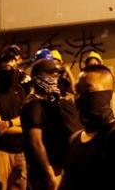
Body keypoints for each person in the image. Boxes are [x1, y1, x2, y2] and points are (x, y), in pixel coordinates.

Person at [60, 64, 115, 190]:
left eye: (87, 90)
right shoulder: (75, 139)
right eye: (77, 90)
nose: (80, 96)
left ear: (107, 94)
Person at [23, 58, 82, 190]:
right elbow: (36, 142)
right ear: (38, 78)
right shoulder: (34, 105)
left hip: (58, 166)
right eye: (50, 75)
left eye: (56, 75)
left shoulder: (50, 102)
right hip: (45, 171)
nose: (54, 79)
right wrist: (49, 173)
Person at [0, 44, 28, 190]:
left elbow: (26, 119)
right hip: (0, 152)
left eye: (12, 67)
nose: (9, 71)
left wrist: (8, 124)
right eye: (5, 68)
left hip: (20, 152)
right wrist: (20, 124)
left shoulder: (20, 90)